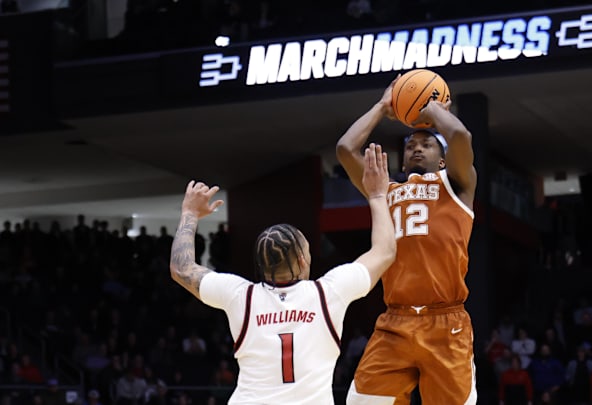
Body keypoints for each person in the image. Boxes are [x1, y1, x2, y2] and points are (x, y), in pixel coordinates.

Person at [169, 144, 396, 404]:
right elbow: (384, 251)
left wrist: (189, 214)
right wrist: (377, 196)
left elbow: (181, 268)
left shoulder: (240, 296)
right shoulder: (328, 292)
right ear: (302, 258)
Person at [337, 76, 477, 404]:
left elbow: (459, 135)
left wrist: (432, 108)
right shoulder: (385, 191)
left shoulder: (458, 185)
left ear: (443, 160)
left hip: (446, 322)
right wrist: (383, 106)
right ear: (401, 160)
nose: (416, 146)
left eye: (426, 144)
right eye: (410, 145)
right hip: (395, 322)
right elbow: (346, 149)